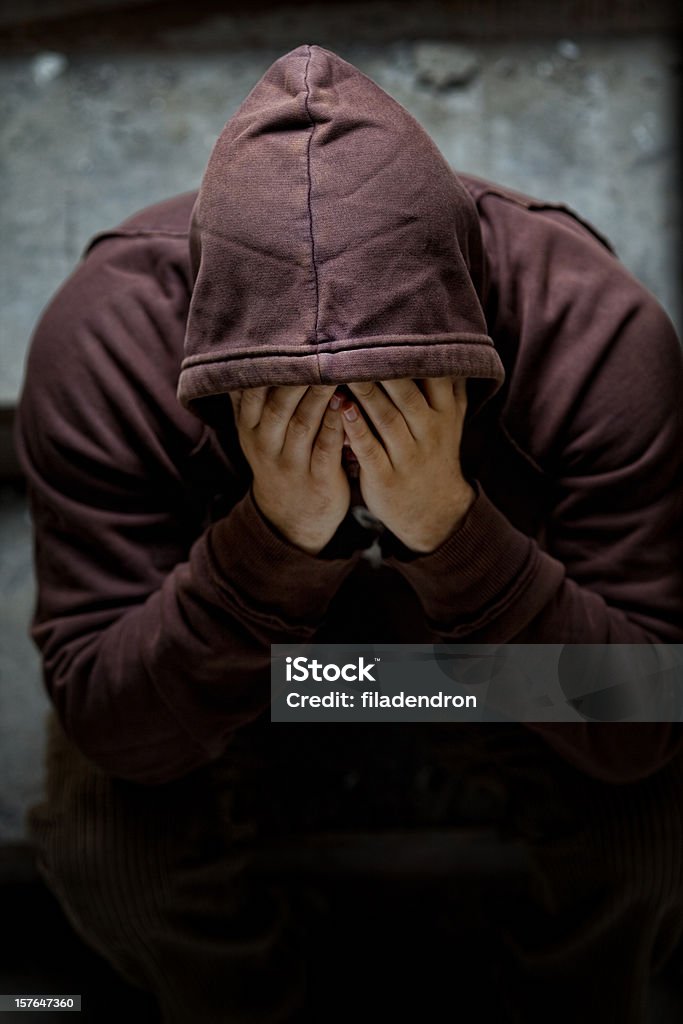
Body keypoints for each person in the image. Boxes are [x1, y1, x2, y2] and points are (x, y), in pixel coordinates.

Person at [14, 44, 683, 1023]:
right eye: (285, 401)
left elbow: (642, 723)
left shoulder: (592, 336)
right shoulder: (107, 342)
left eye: (394, 387)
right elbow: (113, 722)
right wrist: (273, 540)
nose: (343, 431)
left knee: (646, 848)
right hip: (236, 656)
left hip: (504, 654)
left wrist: (449, 529)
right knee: (114, 862)